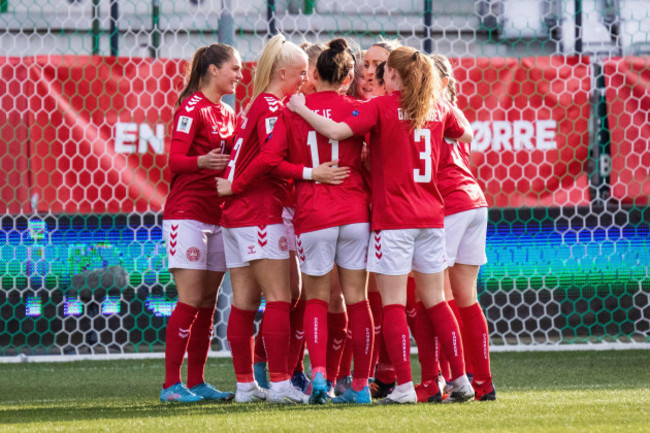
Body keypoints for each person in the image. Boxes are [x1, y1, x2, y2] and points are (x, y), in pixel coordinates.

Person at [286, 45, 476, 404]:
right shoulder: (437, 107)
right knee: (436, 301)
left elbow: (337, 131)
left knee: (391, 305)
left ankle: (403, 387)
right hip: (432, 217)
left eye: (384, 70)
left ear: (393, 76)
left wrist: (300, 108)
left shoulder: (382, 107)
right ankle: (461, 380)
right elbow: (465, 134)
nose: (376, 75)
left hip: (394, 220)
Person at [221, 34, 347, 405]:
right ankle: (279, 384)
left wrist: (232, 186)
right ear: (282, 73)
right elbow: (269, 161)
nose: (305, 80)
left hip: (237, 215)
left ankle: (246, 385)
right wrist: (312, 173)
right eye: (301, 73)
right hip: (260, 210)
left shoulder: (257, 105)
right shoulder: (273, 108)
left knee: (245, 300)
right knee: (282, 296)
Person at [160, 43, 243, 403]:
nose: (240, 75)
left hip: (217, 214)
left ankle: (196, 382)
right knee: (190, 299)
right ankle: (170, 386)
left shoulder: (228, 113)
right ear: (213, 70)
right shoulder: (192, 107)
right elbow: (174, 161)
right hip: (187, 213)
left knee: (208, 302)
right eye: (234, 69)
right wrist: (200, 163)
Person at [432, 54, 495, 401]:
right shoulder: (453, 111)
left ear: (440, 81)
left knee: (437, 298)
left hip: (450, 203)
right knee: (465, 298)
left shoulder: (427, 109)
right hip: (475, 201)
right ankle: (483, 382)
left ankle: (449, 380)